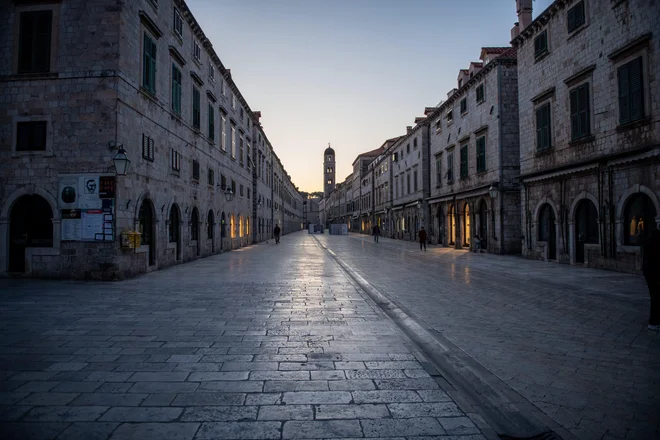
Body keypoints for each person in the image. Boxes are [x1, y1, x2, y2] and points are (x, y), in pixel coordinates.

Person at [642, 227, 660, 331]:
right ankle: (653, 322)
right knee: (656, 298)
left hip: (650, 273)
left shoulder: (651, 239)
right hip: (654, 274)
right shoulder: (655, 241)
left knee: (655, 297)